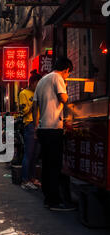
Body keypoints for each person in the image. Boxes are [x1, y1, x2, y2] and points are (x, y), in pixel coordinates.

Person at [32, 57, 76, 211]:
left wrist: (36, 126)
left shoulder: (42, 80)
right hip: (53, 129)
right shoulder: (57, 77)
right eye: (68, 74)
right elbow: (63, 98)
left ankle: (48, 198)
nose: (67, 77)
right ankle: (54, 201)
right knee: (54, 166)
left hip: (43, 128)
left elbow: (34, 105)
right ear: (65, 70)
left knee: (47, 165)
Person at [19, 72, 42, 190]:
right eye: (38, 84)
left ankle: (32, 178)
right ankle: (25, 180)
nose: (39, 87)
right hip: (30, 125)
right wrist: (33, 104)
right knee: (28, 154)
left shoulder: (38, 93)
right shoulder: (23, 93)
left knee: (35, 154)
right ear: (32, 83)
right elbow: (23, 111)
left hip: (40, 124)